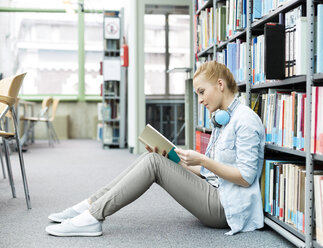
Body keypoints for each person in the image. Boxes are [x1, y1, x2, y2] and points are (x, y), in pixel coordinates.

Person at [45, 61, 265, 237]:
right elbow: (209, 173)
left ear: (220, 85)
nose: (199, 100)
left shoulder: (245, 121)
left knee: (153, 163)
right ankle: (89, 205)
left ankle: (91, 219)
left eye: (201, 92)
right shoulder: (223, 119)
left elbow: (245, 177)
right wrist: (176, 160)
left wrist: (203, 160)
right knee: (153, 156)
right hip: (214, 190)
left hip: (226, 207)